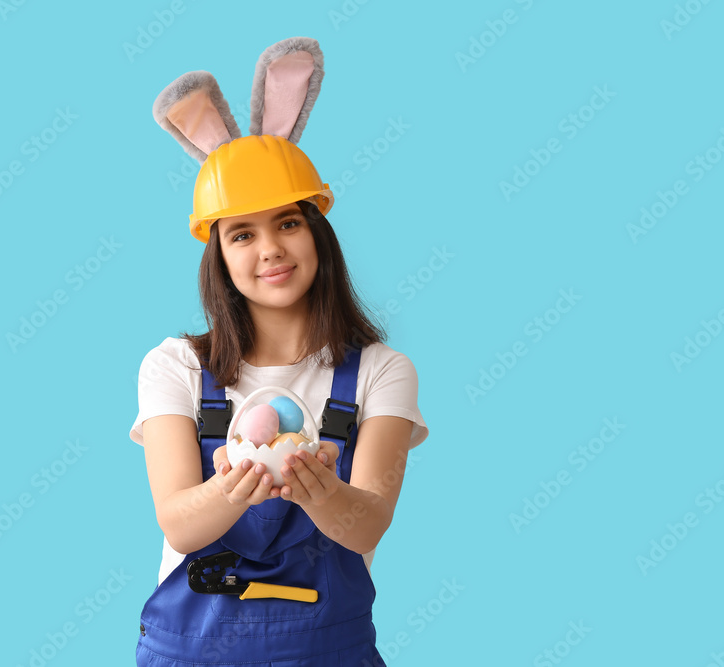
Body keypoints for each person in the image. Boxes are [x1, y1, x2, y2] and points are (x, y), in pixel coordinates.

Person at [129, 37, 428, 666]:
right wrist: (237, 486)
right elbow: (180, 525)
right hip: (194, 652)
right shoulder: (176, 368)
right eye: (243, 233)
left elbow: (369, 522)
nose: (270, 248)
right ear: (220, 256)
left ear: (316, 232)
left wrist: (317, 491)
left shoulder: (382, 373)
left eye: (287, 223)